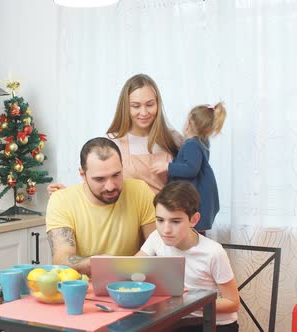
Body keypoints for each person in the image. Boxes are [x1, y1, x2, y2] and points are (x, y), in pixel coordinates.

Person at [47, 73, 183, 195]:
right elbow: (98, 182)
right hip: (129, 220)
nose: (143, 112)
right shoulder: (112, 142)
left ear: (158, 104)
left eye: (150, 104)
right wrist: (66, 194)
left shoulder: (173, 139)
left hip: (166, 220)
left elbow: (194, 180)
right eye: (136, 106)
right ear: (125, 107)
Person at [136, 181, 239, 332]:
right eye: (160, 220)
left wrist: (186, 305)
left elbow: (232, 302)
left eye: (175, 221)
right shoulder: (156, 238)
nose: (166, 230)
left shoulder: (213, 252)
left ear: (194, 220)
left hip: (215, 325)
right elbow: (132, 267)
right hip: (180, 321)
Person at [46, 137, 157, 275]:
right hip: (82, 289)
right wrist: (97, 263)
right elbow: (61, 260)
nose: (110, 186)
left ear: (122, 167)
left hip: (131, 284)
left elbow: (158, 246)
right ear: (83, 174)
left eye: (116, 175)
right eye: (100, 179)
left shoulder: (140, 191)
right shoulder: (61, 200)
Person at [168, 102, 227, 231]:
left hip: (194, 194)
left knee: (193, 231)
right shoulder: (203, 141)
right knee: (197, 233)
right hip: (201, 193)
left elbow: (191, 169)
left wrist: (168, 167)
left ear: (188, 122)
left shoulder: (191, 145)